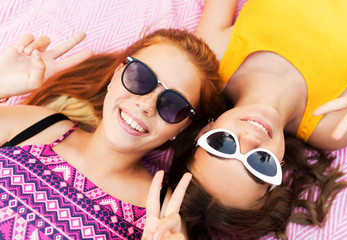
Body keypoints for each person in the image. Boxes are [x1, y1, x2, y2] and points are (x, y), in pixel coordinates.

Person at [160, 0, 347, 239]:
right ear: (277, 177)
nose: (250, 140)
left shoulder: (213, 56)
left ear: (204, 132)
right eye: (260, 164)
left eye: (223, 144)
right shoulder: (330, 127)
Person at [0, 28, 222, 239]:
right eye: (141, 77)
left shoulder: (163, 214)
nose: (146, 105)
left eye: (173, 105)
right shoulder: (35, 125)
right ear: (117, 74)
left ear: (182, 126)